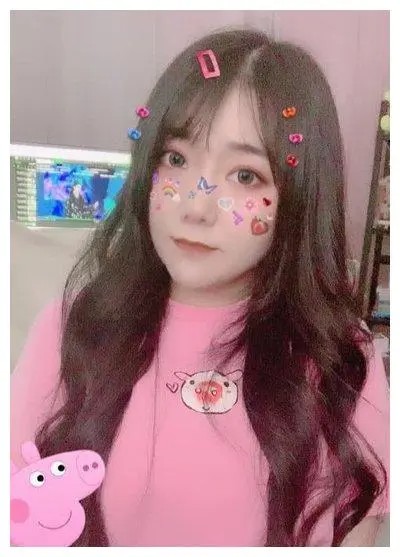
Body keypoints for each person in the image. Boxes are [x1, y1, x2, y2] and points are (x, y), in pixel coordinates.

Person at [11, 28, 389, 547]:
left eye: (246, 176)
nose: (196, 206)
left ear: (300, 195)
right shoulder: (72, 328)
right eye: (176, 159)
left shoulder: (341, 359)